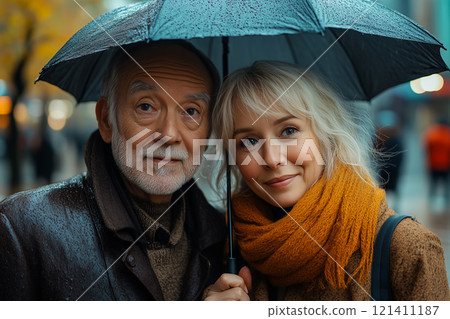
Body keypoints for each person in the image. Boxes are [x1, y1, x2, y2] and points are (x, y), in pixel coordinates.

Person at [0, 40, 226, 300]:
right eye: (146, 106)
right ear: (107, 120)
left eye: (191, 111)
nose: (169, 134)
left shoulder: (227, 238)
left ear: (209, 131)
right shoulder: (24, 230)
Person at [205, 61, 450, 301]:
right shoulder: (229, 247)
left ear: (324, 135)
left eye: (289, 131)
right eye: (248, 141)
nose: (272, 158)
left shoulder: (406, 246)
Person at [423, 118, 450, 209]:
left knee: (433, 184)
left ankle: (431, 202)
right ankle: (446, 202)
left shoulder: (431, 132)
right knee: (446, 184)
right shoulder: (447, 133)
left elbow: (426, 147)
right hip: (446, 164)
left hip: (433, 163)